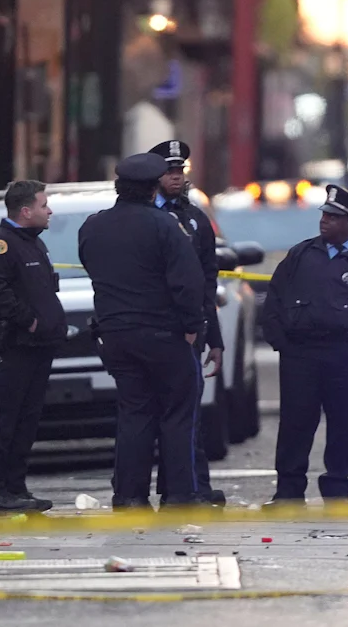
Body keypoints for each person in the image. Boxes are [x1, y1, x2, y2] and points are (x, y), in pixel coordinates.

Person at [260, 184, 348, 509]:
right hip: (301, 355)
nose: (325, 221)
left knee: (342, 426)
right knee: (295, 424)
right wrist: (280, 341)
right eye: (324, 214)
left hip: (347, 356)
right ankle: (288, 494)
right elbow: (274, 300)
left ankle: (337, 495)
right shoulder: (301, 255)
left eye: (334, 216)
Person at [78, 153, 207, 509]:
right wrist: (193, 326)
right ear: (154, 189)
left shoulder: (93, 226)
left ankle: (129, 496)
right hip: (164, 335)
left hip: (116, 335)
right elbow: (188, 282)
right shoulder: (165, 226)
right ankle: (179, 494)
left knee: (134, 414)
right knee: (177, 415)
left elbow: (92, 267)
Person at [0, 180, 68, 513]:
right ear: (25, 211)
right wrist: (28, 321)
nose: (49, 211)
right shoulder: (0, 244)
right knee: (2, 418)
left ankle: (15, 487)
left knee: (26, 420)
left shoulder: (32, 244)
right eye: (44, 205)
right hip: (11, 347)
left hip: (37, 347)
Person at [147, 139, 225, 507]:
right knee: (151, 417)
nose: (175, 178)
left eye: (179, 171)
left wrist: (215, 337)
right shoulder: (143, 214)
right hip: (151, 329)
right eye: (168, 172)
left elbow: (207, 281)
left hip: (188, 331)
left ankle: (194, 488)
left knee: (188, 415)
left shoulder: (195, 219)